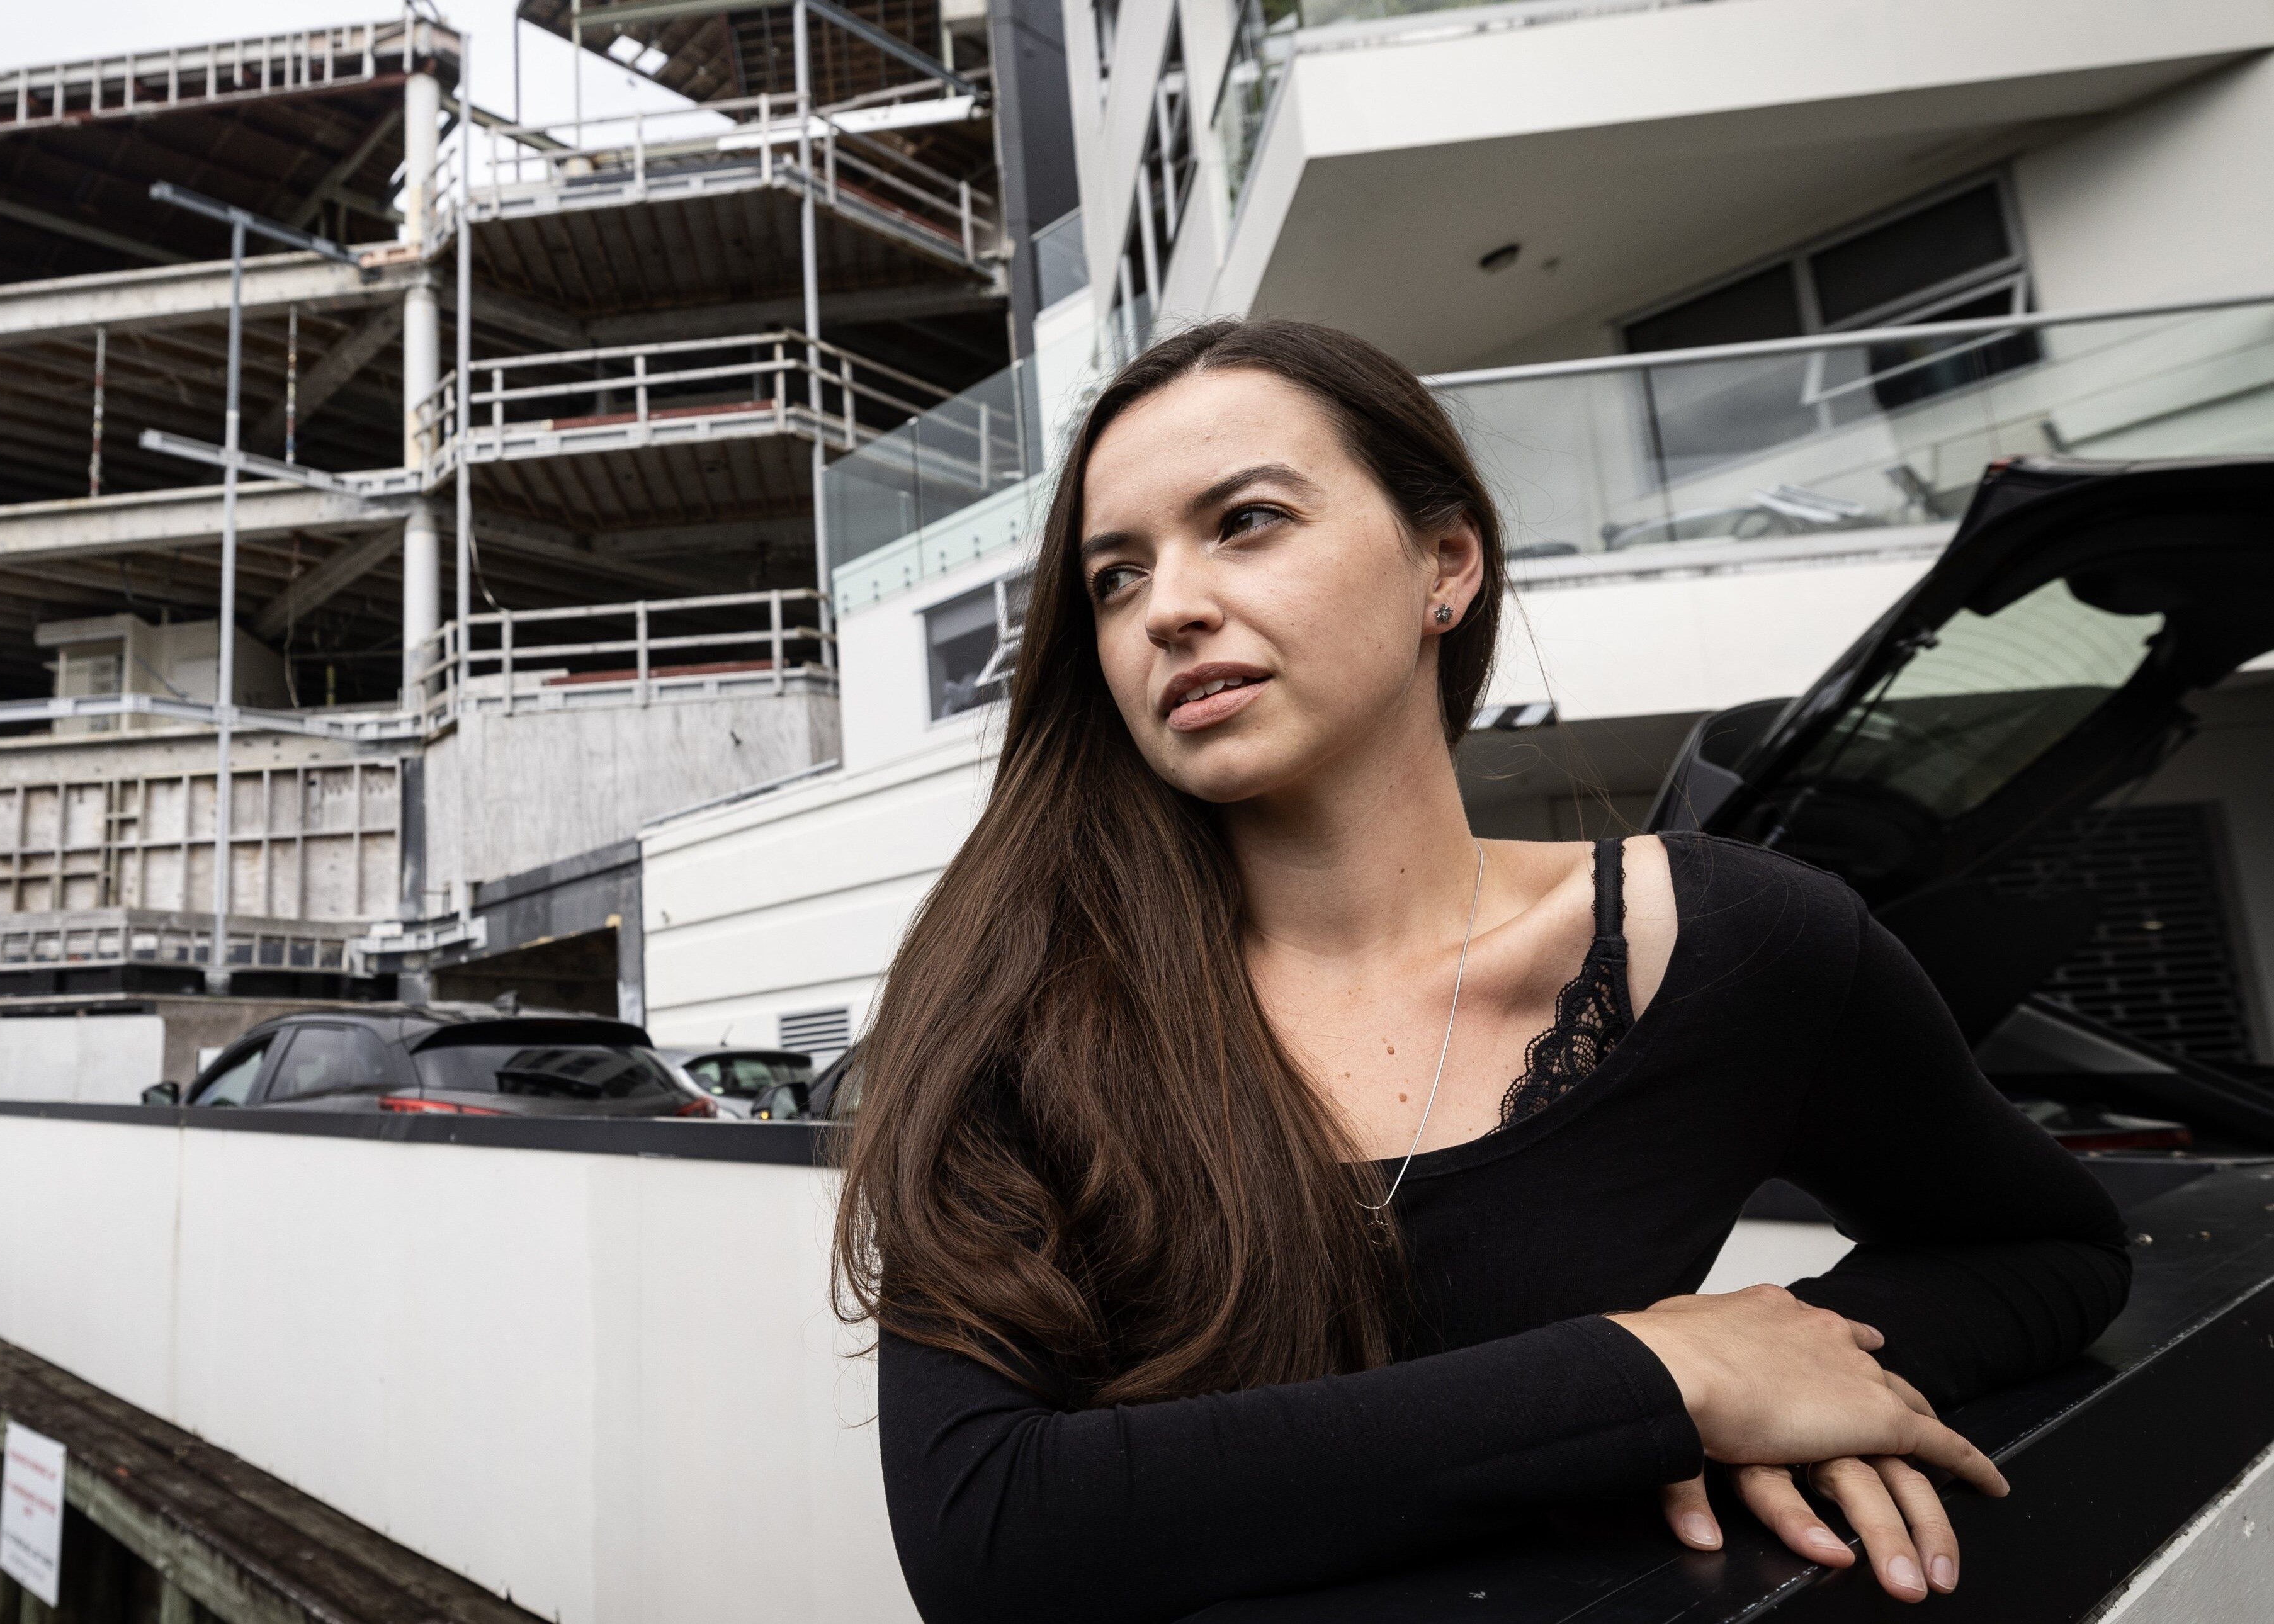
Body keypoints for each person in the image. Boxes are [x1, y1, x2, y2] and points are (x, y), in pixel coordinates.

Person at [833, 320, 2129, 1623]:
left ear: (1444, 564)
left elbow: (2046, 1249)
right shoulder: (1013, 1008)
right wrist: (1655, 1383)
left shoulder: (1729, 941)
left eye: (1244, 521)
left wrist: (1803, 1370)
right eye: (1115, 578)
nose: (1167, 605)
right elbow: (989, 1531)